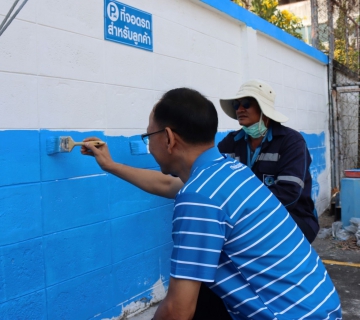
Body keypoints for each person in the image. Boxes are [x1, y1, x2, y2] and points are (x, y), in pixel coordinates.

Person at [82, 88, 341, 319]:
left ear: (169, 138)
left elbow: (177, 311)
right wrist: (110, 165)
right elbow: (167, 184)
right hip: (320, 306)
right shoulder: (229, 169)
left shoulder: (199, 197)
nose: (149, 145)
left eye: (148, 136)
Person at [218, 79, 319, 243]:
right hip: (248, 219)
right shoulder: (231, 142)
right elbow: (212, 174)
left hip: (294, 219)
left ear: (263, 109)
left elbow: (289, 195)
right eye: (236, 105)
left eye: (246, 103)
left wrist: (243, 208)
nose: (240, 109)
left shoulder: (291, 141)